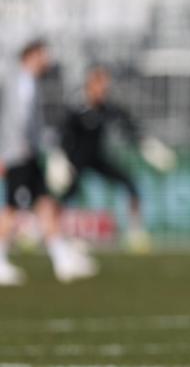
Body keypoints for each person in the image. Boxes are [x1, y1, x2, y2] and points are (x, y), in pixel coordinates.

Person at [0, 40, 97, 285]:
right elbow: (15, 121)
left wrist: (45, 145)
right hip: (18, 154)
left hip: (28, 153)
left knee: (45, 203)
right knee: (13, 207)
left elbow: (31, 124)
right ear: (32, 55)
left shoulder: (30, 82)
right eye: (43, 55)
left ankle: (61, 259)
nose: (48, 60)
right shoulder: (19, 82)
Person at [55, 65, 176, 252]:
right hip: (75, 161)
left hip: (97, 159)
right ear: (90, 86)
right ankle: (54, 235)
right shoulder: (77, 109)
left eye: (106, 87)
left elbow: (128, 127)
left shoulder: (107, 109)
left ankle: (136, 233)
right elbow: (63, 135)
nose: (104, 91)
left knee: (131, 184)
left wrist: (147, 145)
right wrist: (61, 159)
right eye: (100, 86)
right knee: (64, 196)